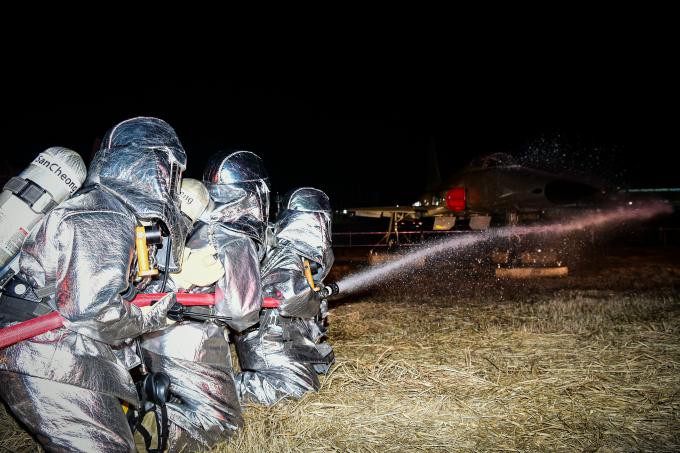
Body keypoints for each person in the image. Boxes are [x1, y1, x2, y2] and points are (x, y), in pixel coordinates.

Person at [0, 117, 188, 452]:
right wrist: (153, 317)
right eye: (168, 172)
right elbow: (95, 312)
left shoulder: (107, 208)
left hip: (49, 345)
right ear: (145, 165)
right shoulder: (106, 215)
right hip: (44, 352)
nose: (171, 183)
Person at [140, 150, 270, 451]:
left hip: (149, 335)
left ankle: (151, 411)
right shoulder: (234, 236)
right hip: (192, 344)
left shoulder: (190, 222)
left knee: (178, 397)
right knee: (223, 424)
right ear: (254, 193)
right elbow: (241, 312)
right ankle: (143, 432)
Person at [236, 187, 335, 406]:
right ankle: (219, 388)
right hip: (269, 336)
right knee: (297, 390)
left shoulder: (296, 251)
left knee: (312, 377)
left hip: (283, 333)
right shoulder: (287, 252)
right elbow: (289, 300)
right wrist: (316, 297)